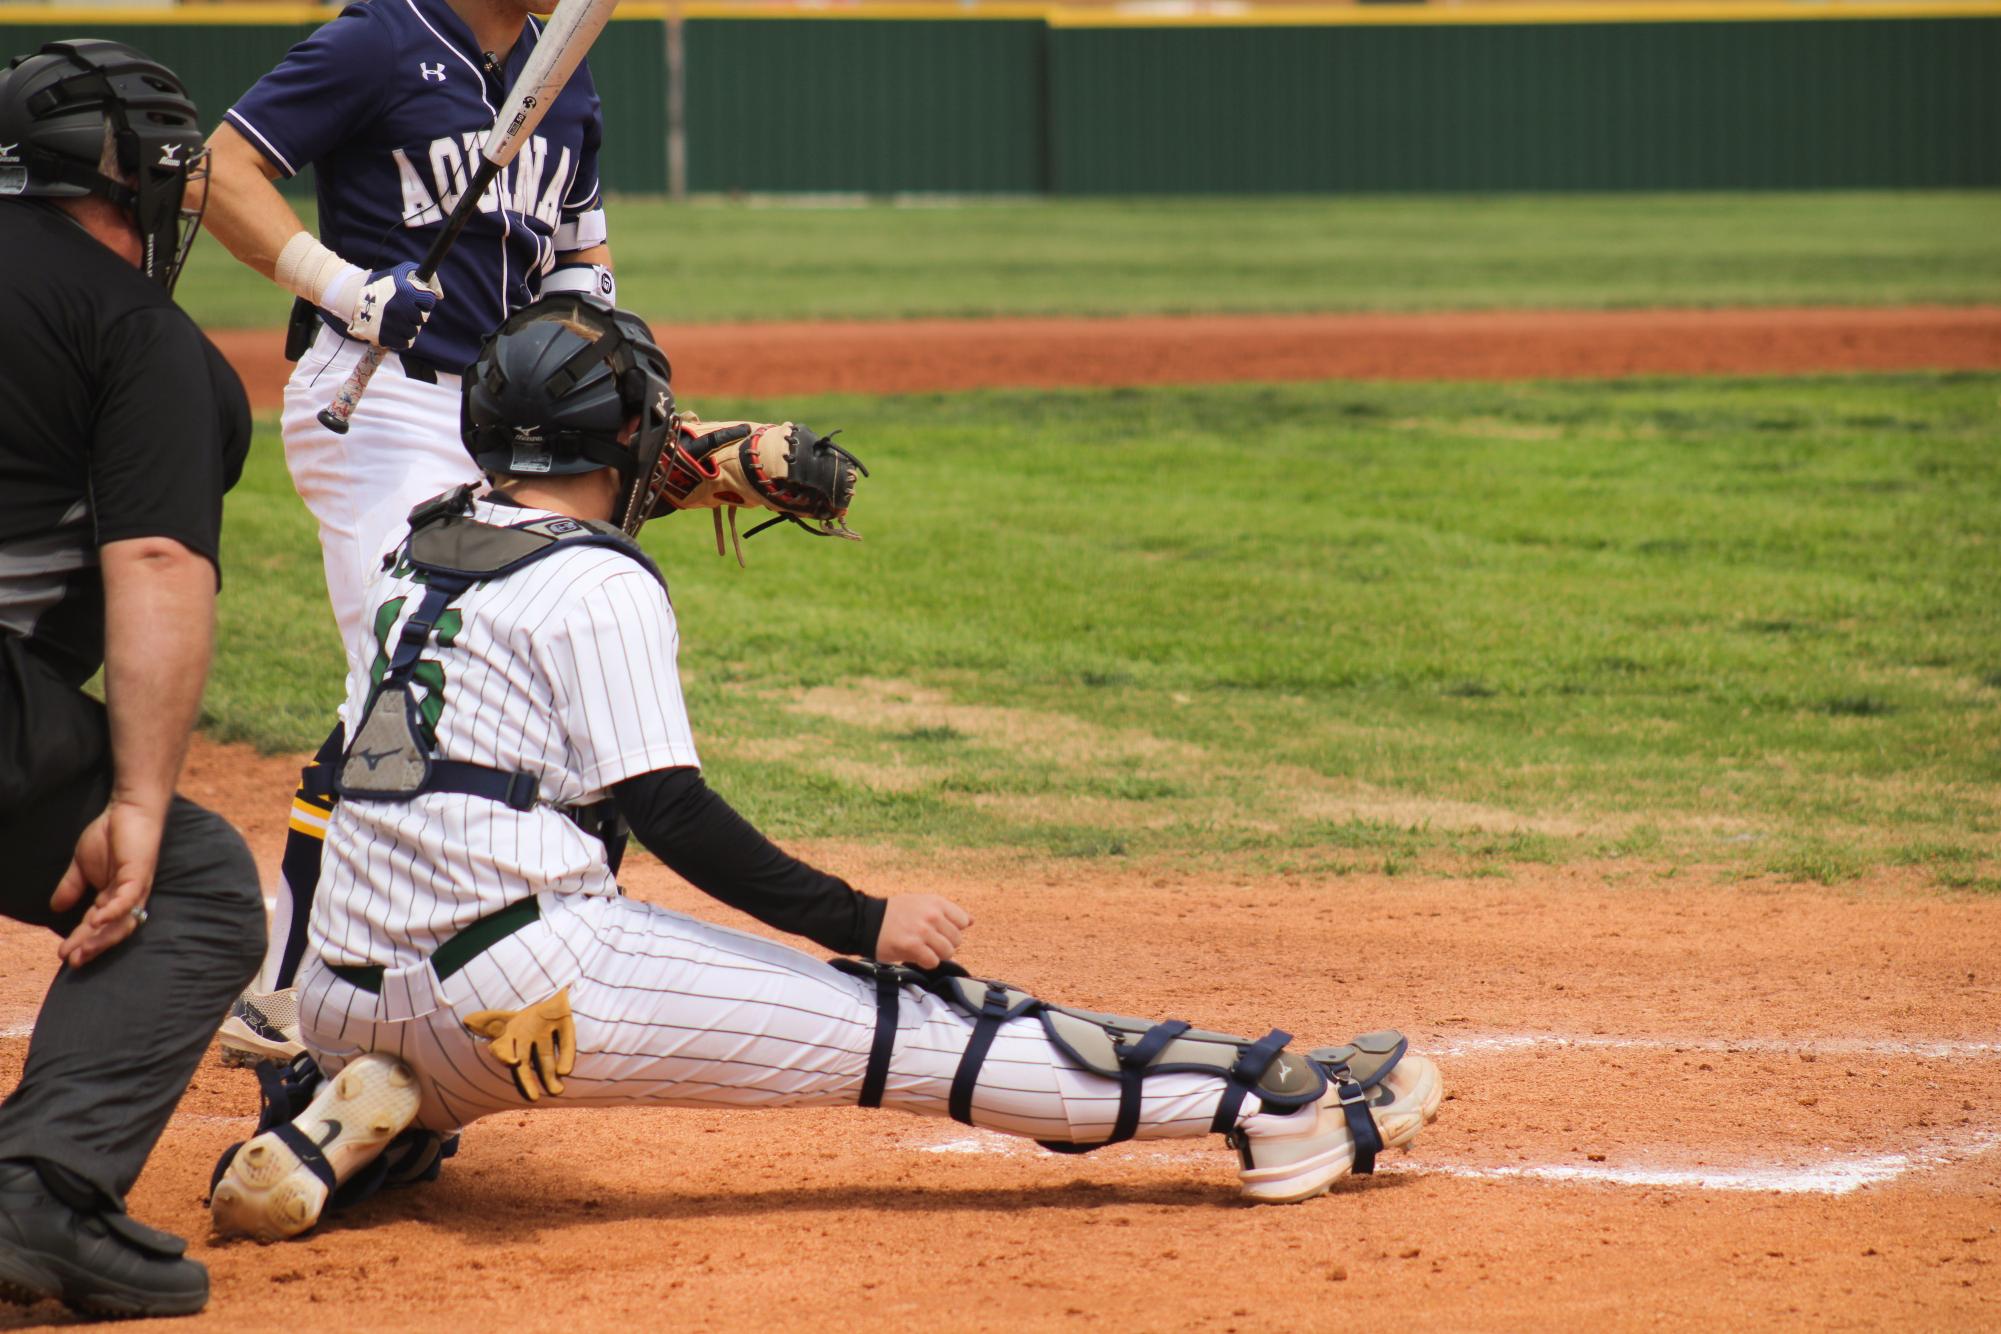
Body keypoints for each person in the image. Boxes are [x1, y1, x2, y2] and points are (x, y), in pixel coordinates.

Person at [207, 297, 1444, 1243]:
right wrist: (866, 916)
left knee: (457, 925)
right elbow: (670, 810)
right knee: (908, 1025)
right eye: (656, 426)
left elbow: (351, 774)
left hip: (335, 990)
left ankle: (363, 1118)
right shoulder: (597, 582)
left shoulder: (411, 557)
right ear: (628, 440)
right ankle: (1281, 1107)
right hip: (524, 991)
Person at [200, 0, 618, 1064]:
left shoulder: (563, 66)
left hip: (505, 419)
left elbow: (577, 255)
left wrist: (593, 367)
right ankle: (288, 989)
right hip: (378, 398)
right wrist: (342, 286)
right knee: (403, 680)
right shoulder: (379, 37)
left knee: (524, 685)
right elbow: (219, 170)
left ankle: (480, 946)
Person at [0, 39, 266, 1318]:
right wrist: (143, 806)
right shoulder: (136, 330)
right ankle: (37, 1195)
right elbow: (157, 557)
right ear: (140, 185)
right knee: (201, 884)